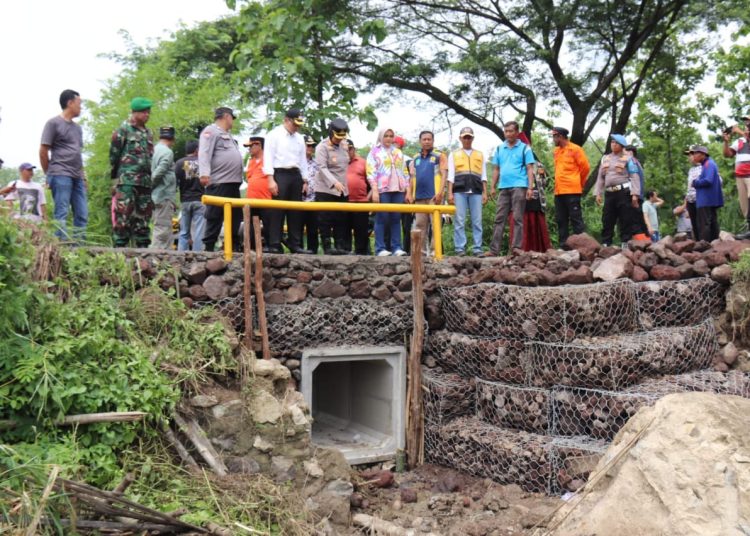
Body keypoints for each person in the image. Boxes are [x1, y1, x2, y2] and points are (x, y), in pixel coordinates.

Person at [40, 89, 86, 241]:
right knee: (62, 212)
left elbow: (77, 153)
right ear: (70, 103)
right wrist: (49, 174)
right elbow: (43, 150)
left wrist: (83, 176)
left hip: (77, 176)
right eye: (79, 103)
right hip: (60, 173)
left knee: (82, 213)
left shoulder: (78, 128)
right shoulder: (53, 123)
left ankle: (79, 248)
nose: (81, 107)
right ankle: (61, 246)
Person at [263, 108, 310, 254]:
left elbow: (303, 160)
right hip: (280, 173)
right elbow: (268, 157)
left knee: (296, 210)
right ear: (286, 120)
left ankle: (294, 243)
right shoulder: (274, 135)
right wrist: (270, 179)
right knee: (278, 210)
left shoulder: (299, 138)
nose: (297, 127)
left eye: (299, 124)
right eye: (294, 124)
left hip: (296, 174)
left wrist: (305, 180)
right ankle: (275, 243)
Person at [110, 97, 154, 248]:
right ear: (134, 112)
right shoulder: (124, 130)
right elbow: (114, 155)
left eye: (148, 112)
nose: (147, 115)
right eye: (143, 112)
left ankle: (143, 248)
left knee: (144, 217)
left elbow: (150, 156)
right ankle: (120, 248)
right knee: (124, 215)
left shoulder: (149, 133)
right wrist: (115, 180)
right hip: (127, 180)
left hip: (145, 182)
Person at [199, 106, 244, 252]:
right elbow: (204, 152)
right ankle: (209, 247)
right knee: (215, 215)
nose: (232, 121)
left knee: (235, 216)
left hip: (233, 183)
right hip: (219, 182)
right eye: (232, 118)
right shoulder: (211, 131)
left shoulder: (228, 135)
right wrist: (204, 173)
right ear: (226, 116)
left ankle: (233, 246)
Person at [486, 121, 534, 256]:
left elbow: (530, 168)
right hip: (503, 187)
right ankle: (494, 250)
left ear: (517, 132)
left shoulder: (525, 148)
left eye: (511, 131)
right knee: (499, 218)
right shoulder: (500, 148)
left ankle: (516, 248)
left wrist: (530, 187)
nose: (508, 134)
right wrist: (492, 187)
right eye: (506, 131)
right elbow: (496, 168)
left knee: (517, 217)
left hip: (519, 185)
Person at [367, 127, 409, 256]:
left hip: (398, 189)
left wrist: (407, 190)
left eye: (391, 136)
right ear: (381, 137)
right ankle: (380, 248)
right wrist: (374, 189)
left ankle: (396, 247)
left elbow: (404, 171)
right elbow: (370, 172)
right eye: (386, 136)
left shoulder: (398, 152)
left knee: (396, 219)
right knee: (382, 218)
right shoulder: (374, 152)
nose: (389, 138)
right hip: (382, 189)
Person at [594, 134, 642, 247]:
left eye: (616, 143)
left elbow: (635, 176)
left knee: (625, 218)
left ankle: (625, 243)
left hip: (623, 192)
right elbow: (600, 177)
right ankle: (606, 243)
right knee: (607, 218)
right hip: (609, 193)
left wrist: (635, 194)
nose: (613, 144)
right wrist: (597, 193)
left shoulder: (629, 159)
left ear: (621, 145)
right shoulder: (605, 158)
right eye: (612, 142)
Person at [507, 133, 551, 252]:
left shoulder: (537, 163)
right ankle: (520, 251)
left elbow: (544, 181)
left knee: (533, 224)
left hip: (534, 201)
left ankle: (536, 252)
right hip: (518, 200)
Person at [447, 126, 487, 256]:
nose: (467, 139)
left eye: (469, 137)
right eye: (465, 137)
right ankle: (460, 248)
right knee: (459, 220)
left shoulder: (480, 154)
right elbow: (451, 176)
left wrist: (485, 192)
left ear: (473, 138)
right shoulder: (454, 154)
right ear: (460, 138)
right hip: (459, 190)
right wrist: (449, 193)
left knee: (477, 221)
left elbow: (484, 176)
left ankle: (477, 248)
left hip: (476, 190)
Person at [407, 130, 447, 255]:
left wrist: (441, 192)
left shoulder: (440, 156)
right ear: (420, 141)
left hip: (434, 197)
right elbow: (411, 177)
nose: (427, 141)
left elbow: (444, 174)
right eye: (424, 139)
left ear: (433, 141)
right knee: (419, 226)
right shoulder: (415, 158)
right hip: (419, 197)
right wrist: (409, 193)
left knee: (435, 226)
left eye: (429, 139)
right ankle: (421, 253)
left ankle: (436, 252)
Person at [315, 118, 350, 255]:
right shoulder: (321, 147)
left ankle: (340, 246)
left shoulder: (343, 146)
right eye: (337, 136)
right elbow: (322, 167)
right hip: (326, 189)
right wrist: (334, 182)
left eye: (342, 137)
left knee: (341, 219)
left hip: (342, 189)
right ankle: (327, 247)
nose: (339, 139)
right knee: (325, 219)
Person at [551, 126, 590, 245]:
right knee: (561, 220)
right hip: (559, 191)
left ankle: (583, 247)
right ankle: (564, 246)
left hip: (572, 190)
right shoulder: (556, 151)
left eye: (554, 136)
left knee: (575, 219)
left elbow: (585, 168)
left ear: (560, 136)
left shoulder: (575, 149)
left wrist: (580, 183)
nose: (553, 139)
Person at [150, 126, 177, 249]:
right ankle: (158, 260)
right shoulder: (167, 152)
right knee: (163, 231)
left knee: (158, 227)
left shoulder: (153, 150)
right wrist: (150, 186)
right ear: (173, 139)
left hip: (155, 196)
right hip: (163, 195)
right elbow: (158, 173)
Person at [175, 140, 205, 251]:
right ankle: (198, 256)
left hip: (185, 201)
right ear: (197, 150)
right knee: (198, 231)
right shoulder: (202, 162)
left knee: (183, 232)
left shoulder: (179, 163)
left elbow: (175, 182)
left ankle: (180, 256)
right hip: (199, 200)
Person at [691, 145, 723, 242]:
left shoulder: (708, 164)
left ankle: (705, 247)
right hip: (709, 200)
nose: (693, 156)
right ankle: (714, 245)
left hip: (706, 200)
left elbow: (708, 180)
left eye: (695, 153)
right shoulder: (707, 164)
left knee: (704, 225)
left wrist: (695, 183)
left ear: (702, 154)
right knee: (712, 223)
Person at [723, 122, 750, 237]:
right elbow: (727, 154)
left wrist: (739, 131)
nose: (747, 127)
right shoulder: (739, 141)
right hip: (740, 175)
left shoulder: (745, 137)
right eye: (746, 125)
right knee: (744, 205)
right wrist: (726, 141)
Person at [244, 135, 270, 250]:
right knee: (250, 226)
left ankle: (271, 247)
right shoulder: (250, 161)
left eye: (250, 146)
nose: (249, 149)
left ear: (259, 145)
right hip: (251, 199)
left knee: (269, 225)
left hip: (266, 199)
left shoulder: (269, 160)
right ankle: (251, 248)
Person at [346, 139, 370, 254]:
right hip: (344, 203)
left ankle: (362, 255)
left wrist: (368, 199)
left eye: (350, 149)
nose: (347, 152)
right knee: (344, 230)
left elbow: (371, 182)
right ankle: (345, 254)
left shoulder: (363, 162)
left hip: (361, 202)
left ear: (353, 149)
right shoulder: (338, 163)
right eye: (345, 150)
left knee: (361, 231)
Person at [625, 145, 649, 241]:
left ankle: (640, 244)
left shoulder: (631, 162)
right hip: (640, 196)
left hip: (634, 196)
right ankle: (647, 242)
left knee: (634, 221)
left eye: (625, 152)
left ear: (630, 153)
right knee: (640, 220)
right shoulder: (638, 163)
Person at [301, 135, 319, 253]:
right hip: (299, 201)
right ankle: (299, 251)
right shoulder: (296, 163)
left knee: (313, 229)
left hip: (313, 201)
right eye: (308, 145)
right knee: (298, 228)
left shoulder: (316, 163)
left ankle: (313, 252)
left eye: (312, 146)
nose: (310, 148)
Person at [683, 145, 701, 240]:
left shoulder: (704, 167)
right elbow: (689, 187)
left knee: (702, 223)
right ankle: (698, 244)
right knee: (694, 224)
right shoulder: (691, 170)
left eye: (691, 154)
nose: (689, 158)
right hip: (691, 201)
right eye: (688, 155)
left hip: (700, 200)